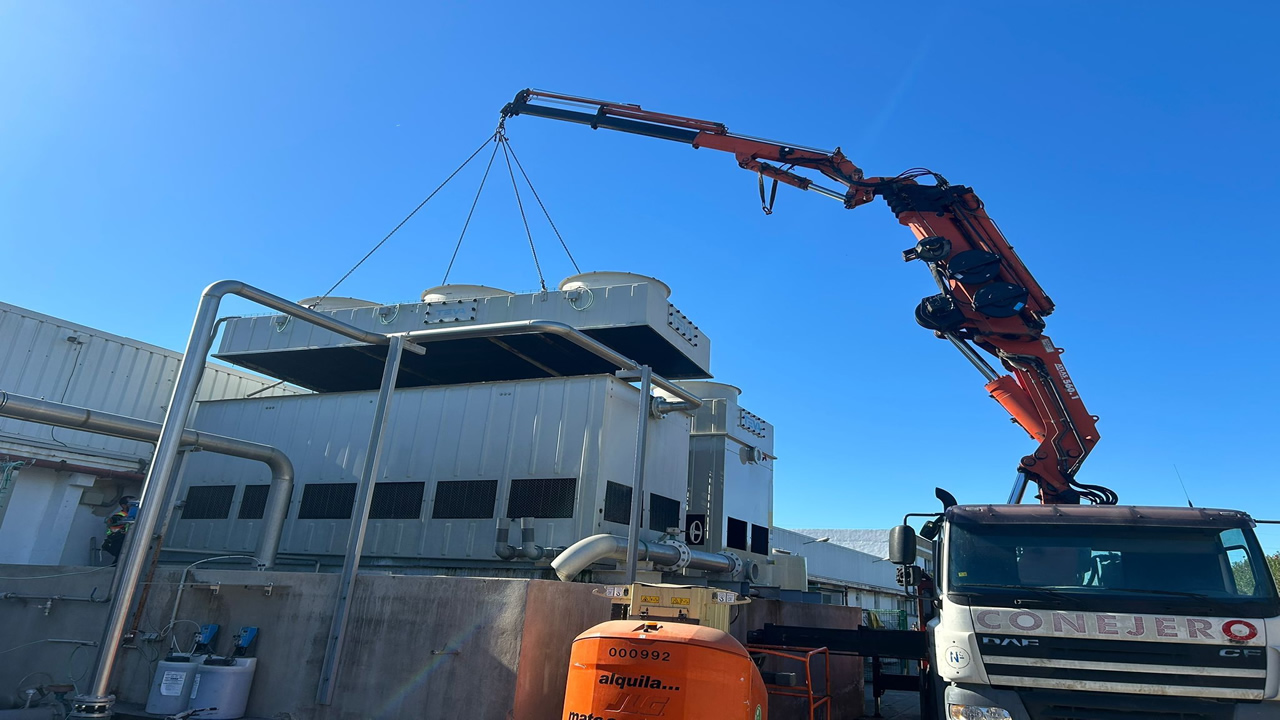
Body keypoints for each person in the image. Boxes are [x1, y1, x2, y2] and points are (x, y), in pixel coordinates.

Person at [101, 496, 138, 565]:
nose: (135, 506)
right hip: (116, 543)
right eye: (132, 504)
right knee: (120, 562)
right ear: (124, 506)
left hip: (126, 543)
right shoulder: (118, 517)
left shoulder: (136, 516)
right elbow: (116, 533)